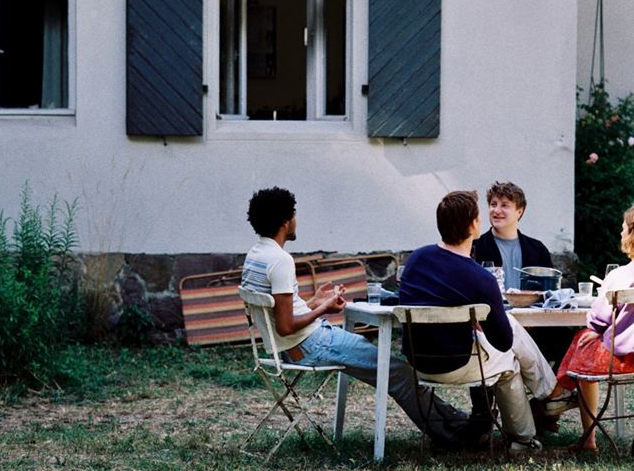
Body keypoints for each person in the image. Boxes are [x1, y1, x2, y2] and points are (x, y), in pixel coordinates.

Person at [241, 187, 477, 450]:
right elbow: (285, 326)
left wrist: (314, 301)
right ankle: (454, 436)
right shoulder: (280, 260)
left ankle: (460, 423)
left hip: (294, 346)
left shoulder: (255, 256)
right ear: (285, 222)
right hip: (309, 345)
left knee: (397, 371)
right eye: (294, 215)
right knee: (398, 372)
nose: (296, 220)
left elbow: (279, 314)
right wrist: (325, 309)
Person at [398, 190, 562, 455]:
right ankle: (526, 434)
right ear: (474, 225)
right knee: (510, 360)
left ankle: (549, 396)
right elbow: (504, 341)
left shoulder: (417, 259)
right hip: (457, 362)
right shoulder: (480, 277)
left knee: (507, 333)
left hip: (418, 361)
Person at [548, 204, 634, 453]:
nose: (620, 233)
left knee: (582, 340)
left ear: (633, 234)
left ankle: (556, 400)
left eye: (623, 228)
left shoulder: (622, 275)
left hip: (618, 360)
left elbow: (598, 316)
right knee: (583, 342)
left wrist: (595, 328)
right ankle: (555, 397)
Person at [471, 180, 575, 430]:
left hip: (535, 326)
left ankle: (546, 409)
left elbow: (552, 292)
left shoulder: (536, 248)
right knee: (479, 342)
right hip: (495, 327)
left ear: (520, 211)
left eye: (505, 205)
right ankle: (483, 414)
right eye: (493, 204)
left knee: (570, 341)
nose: (496, 210)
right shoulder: (478, 247)